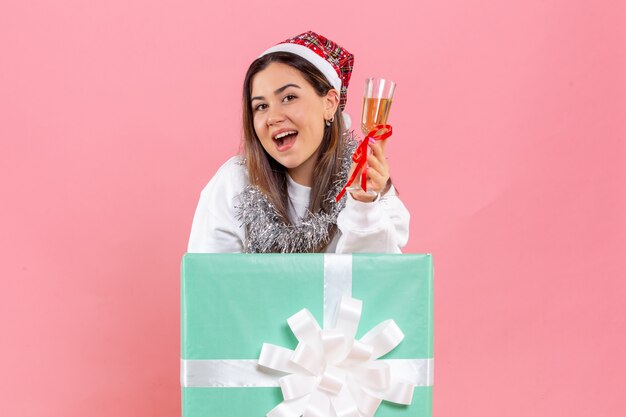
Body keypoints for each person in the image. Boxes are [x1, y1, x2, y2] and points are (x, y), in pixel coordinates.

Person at [187, 31, 409, 253]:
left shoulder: (373, 187)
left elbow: (374, 278)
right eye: (261, 106)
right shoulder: (234, 183)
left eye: (289, 98)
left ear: (330, 103)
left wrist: (364, 204)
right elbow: (209, 280)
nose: (273, 117)